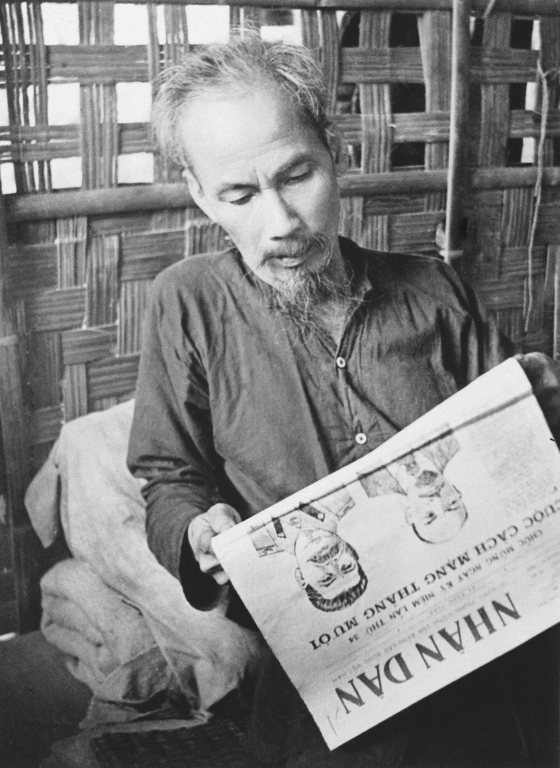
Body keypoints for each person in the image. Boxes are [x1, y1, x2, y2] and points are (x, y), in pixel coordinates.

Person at [128, 33, 560, 768]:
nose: (282, 223)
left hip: (501, 660)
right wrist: (197, 530)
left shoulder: (433, 292)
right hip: (335, 689)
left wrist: (542, 408)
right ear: (200, 195)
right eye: (240, 195)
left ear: (337, 155)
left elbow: (524, 449)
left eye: (297, 175)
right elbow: (169, 476)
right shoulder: (188, 305)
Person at [249, 499, 368, 612]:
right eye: (347, 567)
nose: (332, 565)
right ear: (352, 551)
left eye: (326, 579)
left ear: (301, 577)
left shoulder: (255, 541)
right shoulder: (343, 498)